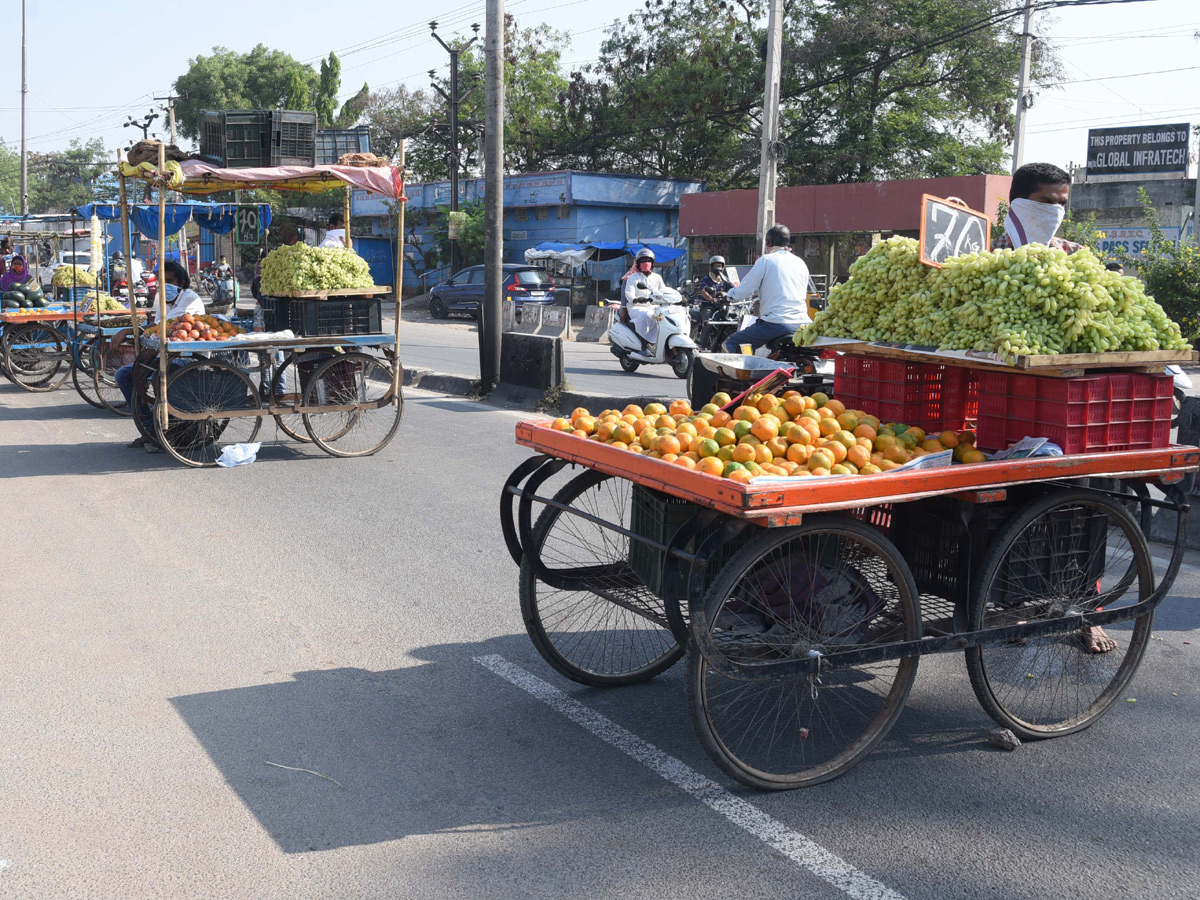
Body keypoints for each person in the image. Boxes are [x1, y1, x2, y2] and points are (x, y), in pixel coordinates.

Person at [113, 261, 206, 451]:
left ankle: (168, 431)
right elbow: (154, 329)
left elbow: (167, 326)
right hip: (164, 356)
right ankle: (150, 430)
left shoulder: (190, 299)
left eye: (170, 281)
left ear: (180, 282)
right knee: (123, 375)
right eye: (163, 282)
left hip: (188, 357)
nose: (166, 286)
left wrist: (129, 330)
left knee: (159, 378)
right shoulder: (162, 300)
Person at [722, 224, 811, 353]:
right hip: (804, 324)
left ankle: (748, 371)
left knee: (731, 344)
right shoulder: (800, 262)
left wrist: (729, 296)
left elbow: (745, 289)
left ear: (770, 242)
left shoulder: (766, 260)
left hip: (775, 324)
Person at [994, 162, 1081, 254]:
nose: (1056, 211)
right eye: (1046, 202)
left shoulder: (1074, 253)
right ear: (1019, 205)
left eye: (1061, 204)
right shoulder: (988, 252)